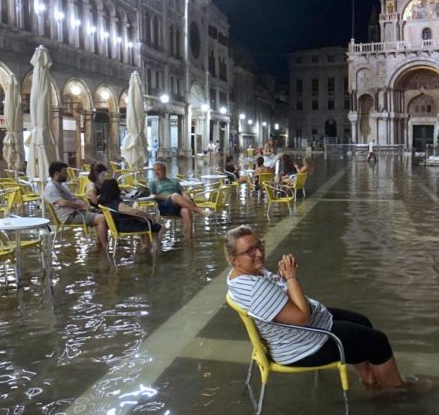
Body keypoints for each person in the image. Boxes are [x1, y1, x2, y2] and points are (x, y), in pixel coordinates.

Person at [225, 225, 418, 390]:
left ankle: (370, 380)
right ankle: (396, 391)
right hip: (303, 345)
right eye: (249, 251)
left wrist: (283, 279)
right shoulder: (256, 287)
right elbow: (302, 318)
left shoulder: (241, 275)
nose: (258, 252)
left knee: (362, 322)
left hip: (301, 333)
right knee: (378, 341)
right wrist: (291, 277)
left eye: (259, 245)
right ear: (234, 260)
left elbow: (274, 300)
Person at [43, 161, 108, 249]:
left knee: (107, 214)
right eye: (64, 172)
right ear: (56, 174)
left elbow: (72, 199)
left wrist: (85, 206)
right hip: (69, 216)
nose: (67, 174)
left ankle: (99, 243)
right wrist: (82, 206)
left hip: (76, 211)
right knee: (101, 218)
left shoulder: (61, 185)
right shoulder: (51, 188)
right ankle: (105, 249)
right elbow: (63, 203)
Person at [149, 162, 208, 239]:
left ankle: (189, 242)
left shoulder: (175, 181)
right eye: (154, 170)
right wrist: (167, 197)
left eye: (158, 170)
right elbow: (152, 196)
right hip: (165, 207)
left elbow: (184, 193)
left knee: (186, 210)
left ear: (164, 170)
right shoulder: (153, 183)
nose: (156, 172)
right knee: (175, 195)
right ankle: (199, 210)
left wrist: (189, 200)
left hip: (178, 206)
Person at [96, 179, 161, 236]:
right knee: (157, 226)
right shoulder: (116, 203)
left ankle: (146, 246)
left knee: (145, 222)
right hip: (124, 226)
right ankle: (154, 247)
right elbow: (133, 211)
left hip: (115, 225)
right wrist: (149, 216)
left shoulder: (103, 202)